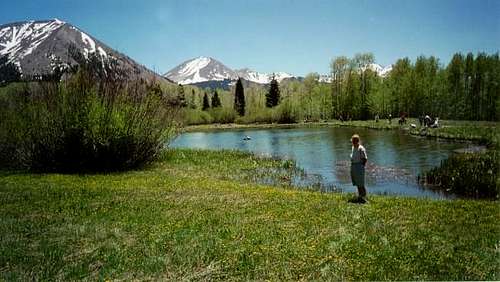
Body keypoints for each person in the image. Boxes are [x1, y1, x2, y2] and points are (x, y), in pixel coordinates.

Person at [349, 134, 368, 203]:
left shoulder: (361, 148)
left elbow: (365, 159)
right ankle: (360, 197)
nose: (353, 142)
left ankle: (363, 197)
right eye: (352, 141)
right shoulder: (353, 147)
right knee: (357, 183)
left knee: (361, 183)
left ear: (358, 141)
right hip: (353, 166)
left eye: (355, 141)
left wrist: (361, 166)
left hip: (359, 167)